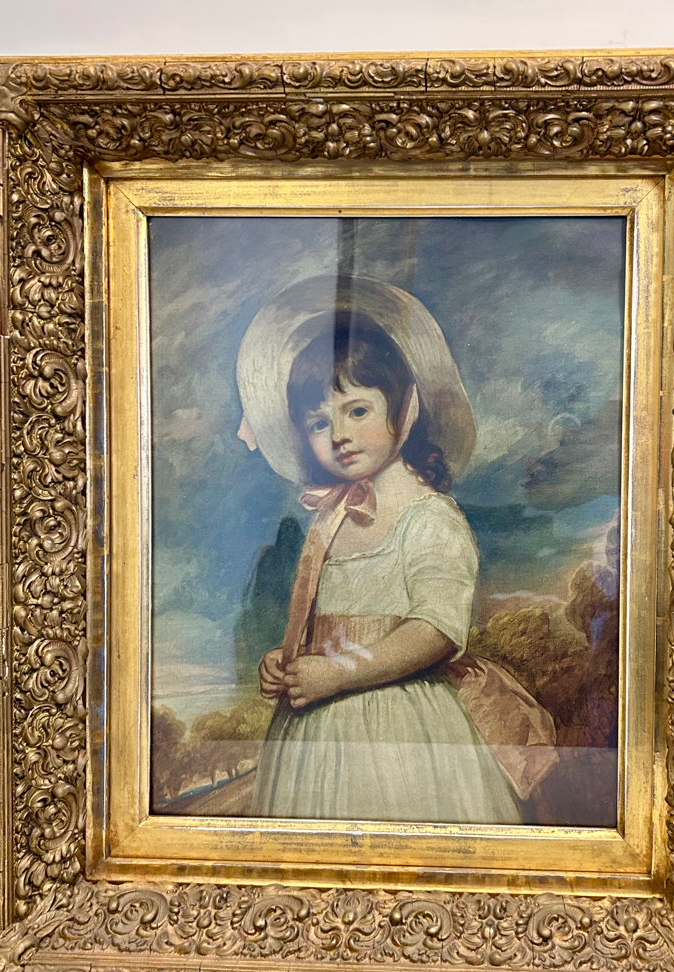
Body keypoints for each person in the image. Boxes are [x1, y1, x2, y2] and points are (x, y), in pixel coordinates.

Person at [236, 275, 552, 822]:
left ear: (405, 409)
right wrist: (287, 660)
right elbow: (326, 624)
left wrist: (339, 672)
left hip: (403, 723)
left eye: (357, 411)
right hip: (317, 728)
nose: (339, 434)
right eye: (319, 422)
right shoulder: (332, 521)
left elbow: (436, 629)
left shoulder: (430, 518)